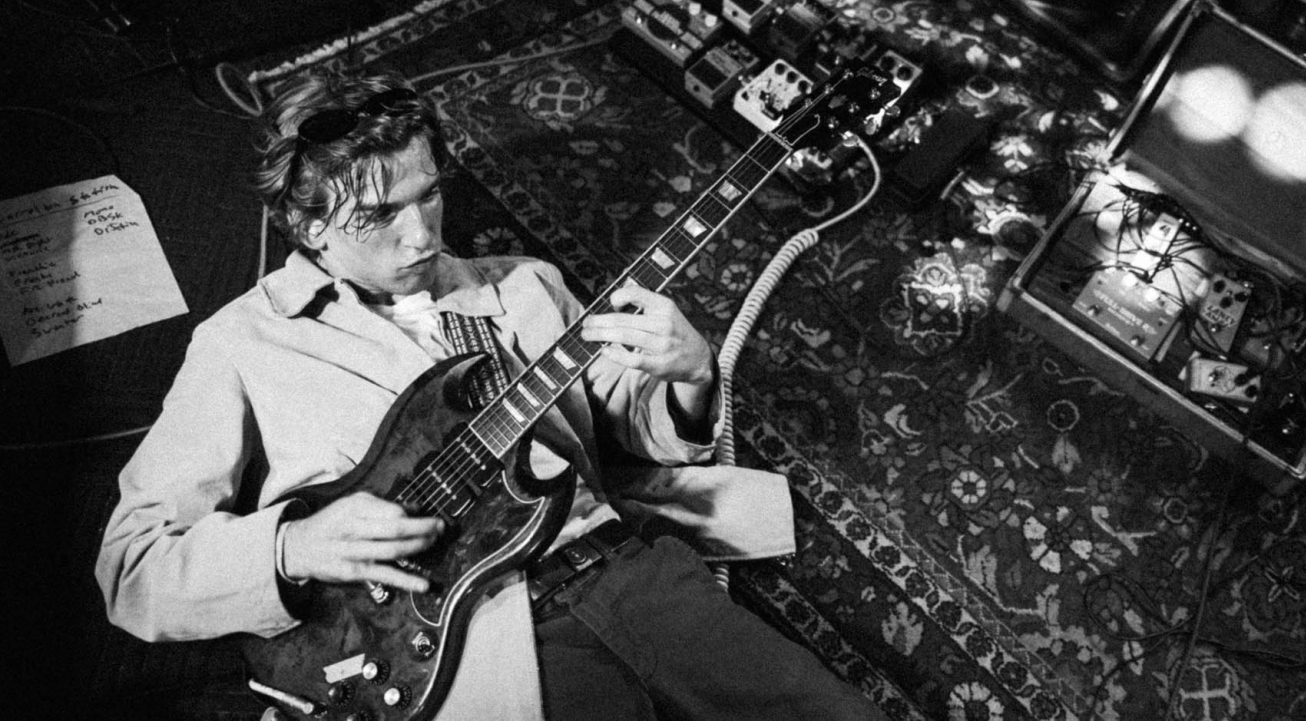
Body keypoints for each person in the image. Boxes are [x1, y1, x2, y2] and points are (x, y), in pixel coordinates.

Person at [95, 67, 885, 721]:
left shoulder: (523, 285)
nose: (422, 236)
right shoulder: (244, 343)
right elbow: (132, 568)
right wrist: (291, 546)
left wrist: (691, 377)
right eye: (378, 215)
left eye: (428, 194)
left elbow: (624, 424)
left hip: (627, 572)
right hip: (478, 639)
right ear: (308, 227)